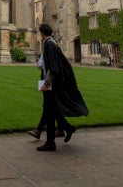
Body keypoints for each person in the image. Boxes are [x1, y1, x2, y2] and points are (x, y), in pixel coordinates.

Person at [36, 23, 89, 152]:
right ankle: (68, 128)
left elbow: (52, 68)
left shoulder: (49, 45)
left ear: (42, 33)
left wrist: (46, 84)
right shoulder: (52, 44)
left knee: (49, 112)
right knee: (53, 110)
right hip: (55, 83)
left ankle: (50, 143)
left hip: (52, 84)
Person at [27, 53, 64, 140]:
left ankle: (39, 130)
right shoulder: (48, 47)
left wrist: (46, 83)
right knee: (53, 106)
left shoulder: (50, 46)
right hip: (47, 78)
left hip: (49, 80)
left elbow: (49, 67)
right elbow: (40, 65)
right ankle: (61, 129)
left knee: (48, 106)